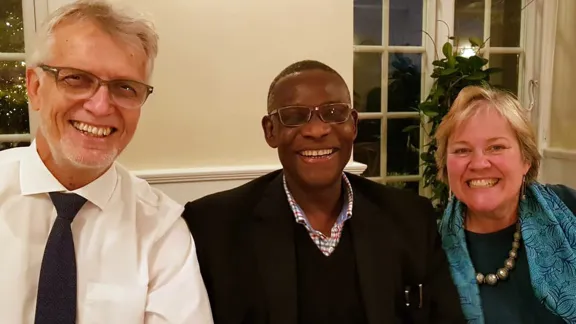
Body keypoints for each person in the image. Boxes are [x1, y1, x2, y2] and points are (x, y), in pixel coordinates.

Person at [183, 59, 466, 324]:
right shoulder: (213, 227)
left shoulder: (411, 219)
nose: (317, 130)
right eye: (294, 116)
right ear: (271, 131)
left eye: (333, 113)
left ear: (353, 125)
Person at [0, 1, 213, 323]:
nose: (101, 106)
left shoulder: (161, 229)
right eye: (76, 79)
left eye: (125, 87)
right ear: (35, 87)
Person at [435, 85, 576, 324]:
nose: (479, 163)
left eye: (496, 147)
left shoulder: (568, 209)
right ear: (446, 167)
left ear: (526, 160)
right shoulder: (427, 245)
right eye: (462, 150)